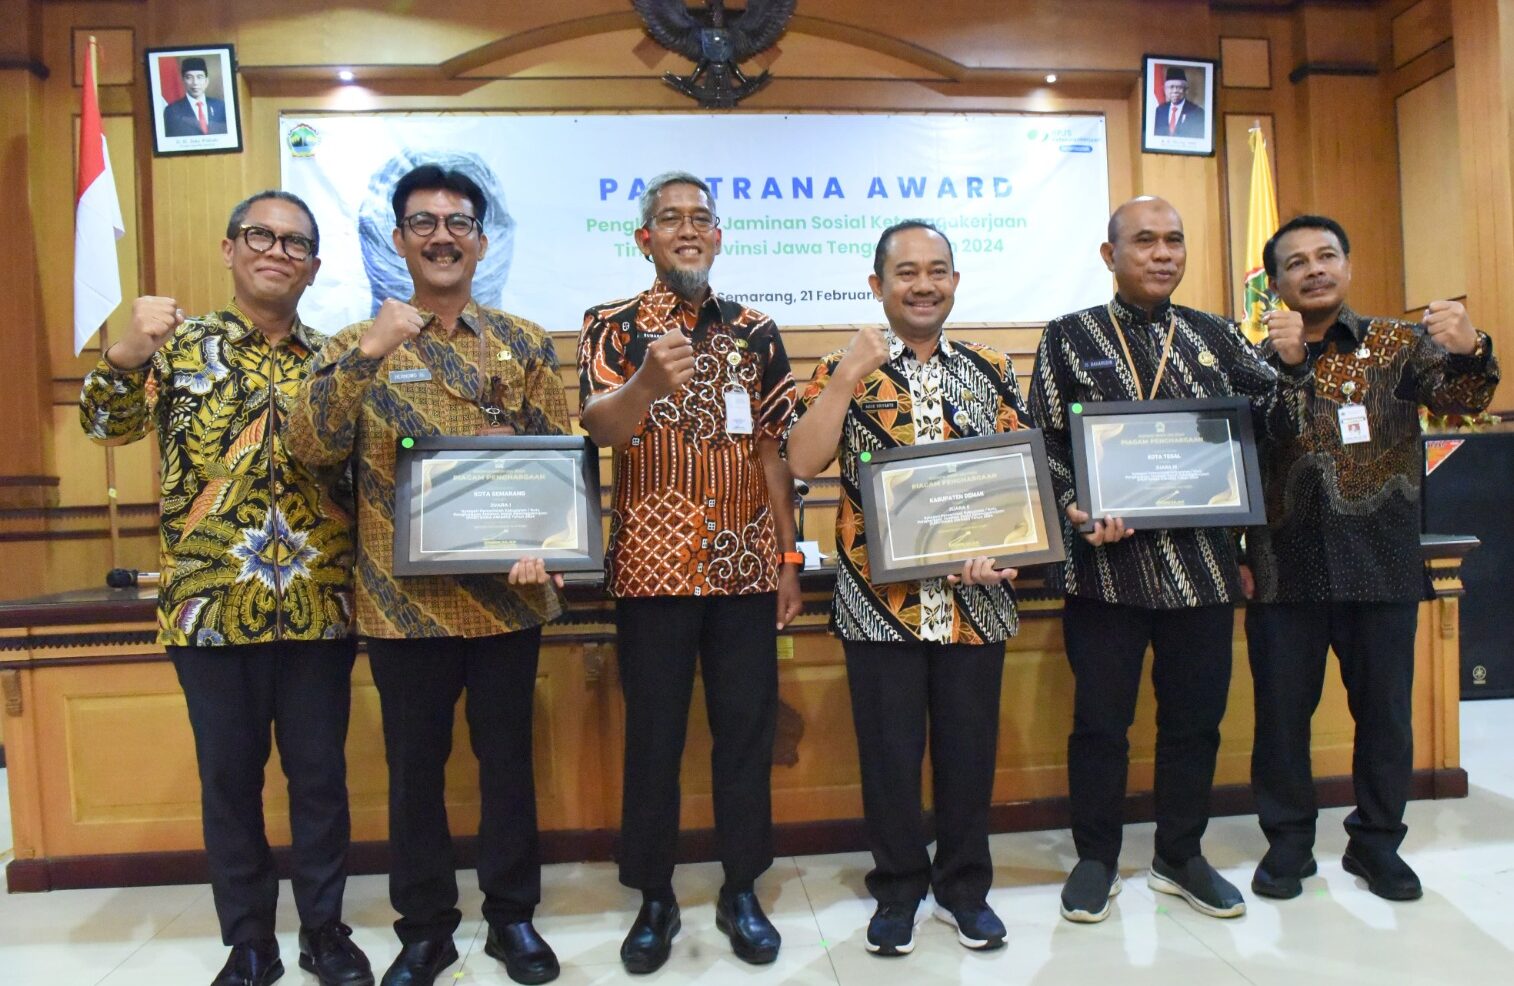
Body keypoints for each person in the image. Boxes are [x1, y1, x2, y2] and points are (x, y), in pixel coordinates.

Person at [79, 191, 371, 986]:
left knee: (320, 781)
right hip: (209, 607)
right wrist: (125, 351)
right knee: (230, 784)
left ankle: (324, 933)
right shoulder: (178, 347)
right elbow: (105, 427)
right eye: (260, 236)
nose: (277, 251)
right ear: (229, 248)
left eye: (295, 243)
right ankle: (249, 943)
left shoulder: (336, 359)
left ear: (314, 265)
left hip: (318, 605)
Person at [287, 164, 569, 986]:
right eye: (423, 223)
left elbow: (557, 461)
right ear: (399, 240)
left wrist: (548, 542)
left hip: (509, 600)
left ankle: (512, 918)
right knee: (415, 775)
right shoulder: (356, 343)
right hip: (401, 606)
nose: (442, 237)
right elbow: (310, 447)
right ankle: (425, 930)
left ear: (480, 240)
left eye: (457, 223)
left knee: (508, 766)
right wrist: (369, 354)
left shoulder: (522, 341)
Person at [1029, 196, 1309, 925]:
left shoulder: (1219, 336)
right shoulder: (1068, 336)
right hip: (1104, 572)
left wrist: (1290, 365)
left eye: (1174, 241)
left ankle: (1180, 855)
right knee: (1100, 725)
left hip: (1202, 570)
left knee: (1194, 722)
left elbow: (1275, 429)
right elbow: (1046, 441)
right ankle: (1096, 858)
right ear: (1110, 254)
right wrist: (1074, 505)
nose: (1162, 253)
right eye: (1145, 240)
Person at [577, 171, 800, 974]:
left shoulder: (755, 330)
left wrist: (787, 558)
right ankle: (654, 896)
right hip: (651, 572)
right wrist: (644, 382)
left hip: (745, 569)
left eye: (700, 217)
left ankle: (741, 889)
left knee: (745, 736)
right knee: (654, 741)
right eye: (670, 218)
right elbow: (600, 430)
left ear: (718, 235)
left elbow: (773, 453)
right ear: (646, 239)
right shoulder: (610, 326)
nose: (687, 228)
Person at [1243, 215, 1500, 902]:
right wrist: (1290, 368)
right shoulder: (1253, 360)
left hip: (1380, 562)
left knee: (1385, 718)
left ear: (1348, 266)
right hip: (1283, 570)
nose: (1314, 269)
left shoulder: (1398, 345)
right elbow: (1251, 447)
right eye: (1296, 262)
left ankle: (1377, 844)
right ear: (1276, 284)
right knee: (1281, 721)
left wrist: (1471, 349)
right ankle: (1288, 845)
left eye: (1326, 255)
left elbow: (1465, 401)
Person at [785, 220, 1022, 957]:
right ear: (878, 285)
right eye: (907, 272)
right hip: (876, 604)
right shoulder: (841, 366)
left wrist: (1002, 549)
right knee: (889, 759)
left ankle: (964, 890)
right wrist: (847, 377)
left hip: (977, 604)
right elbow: (801, 461)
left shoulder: (991, 366)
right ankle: (897, 890)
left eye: (938, 270)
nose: (924, 285)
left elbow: (1014, 477)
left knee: (968, 755)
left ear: (955, 281)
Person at [163, 56, 229, 137]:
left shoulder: (221, 106)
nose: (195, 83)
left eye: (199, 77)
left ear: (206, 81)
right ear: (183, 81)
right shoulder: (172, 111)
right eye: (189, 77)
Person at [1151, 66, 1204, 139]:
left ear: (1186, 90)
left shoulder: (1198, 113)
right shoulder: (1159, 110)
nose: (1175, 91)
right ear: (1165, 90)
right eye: (1171, 87)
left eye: (1179, 87)